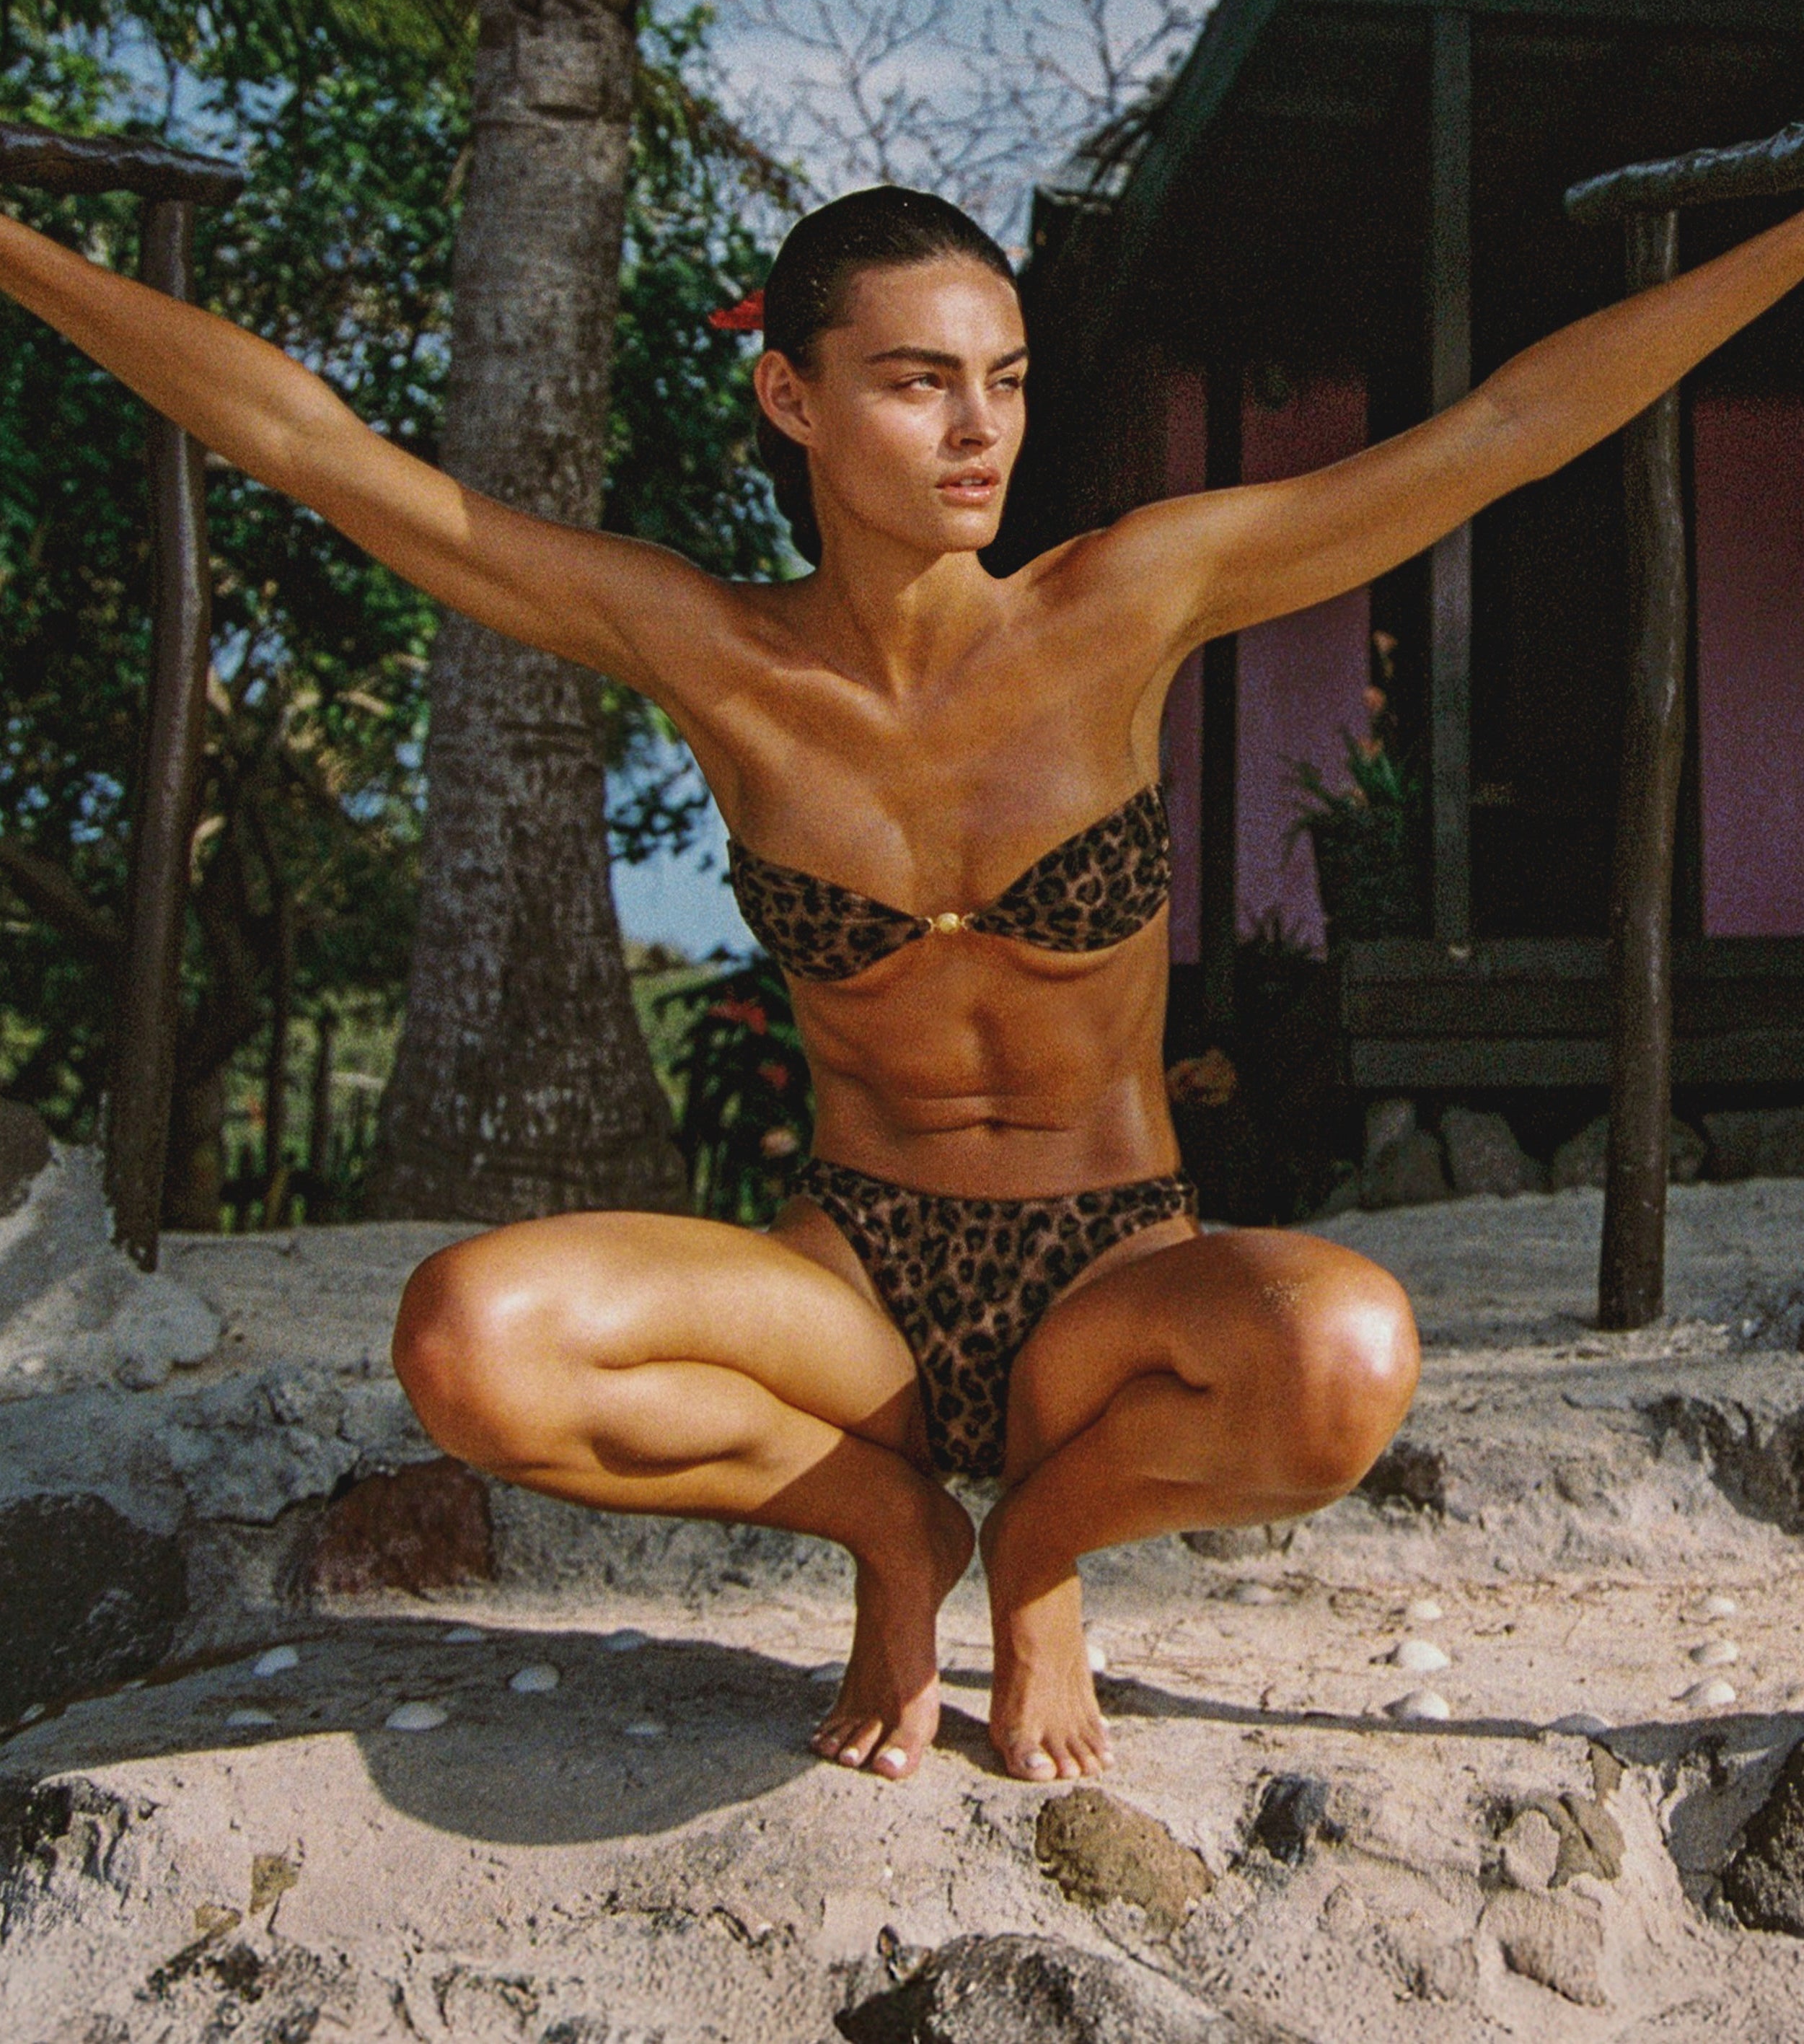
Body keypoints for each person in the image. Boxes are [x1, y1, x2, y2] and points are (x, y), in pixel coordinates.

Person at [4, 177, 1800, 1786]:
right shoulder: (705, 649)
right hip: (853, 1281)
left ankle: (1032, 1551)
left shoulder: (1130, 600)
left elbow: (1507, 426)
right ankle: (895, 1532)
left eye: (1006, 378)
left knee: (1345, 1357)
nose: (980, 428)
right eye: (919, 378)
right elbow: (314, 448)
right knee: (472, 1339)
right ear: (792, 393)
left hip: (1113, 1278)